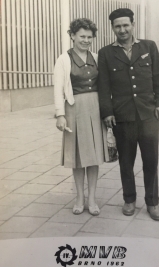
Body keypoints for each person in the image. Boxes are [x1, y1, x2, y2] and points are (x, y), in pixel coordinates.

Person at [98, 8, 159, 221]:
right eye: (117, 26)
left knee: (151, 160)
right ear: (113, 28)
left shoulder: (148, 47)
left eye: (125, 25)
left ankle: (153, 202)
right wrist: (107, 112)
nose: (122, 30)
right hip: (123, 116)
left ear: (133, 24)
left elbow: (158, 77)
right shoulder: (106, 53)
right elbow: (104, 86)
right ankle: (129, 199)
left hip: (148, 115)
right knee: (126, 162)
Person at [54, 18, 108, 216]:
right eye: (82, 36)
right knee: (77, 158)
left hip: (95, 109)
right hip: (74, 109)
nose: (86, 40)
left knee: (93, 157)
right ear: (72, 36)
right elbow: (58, 89)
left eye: (89, 37)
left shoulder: (96, 56)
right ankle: (79, 197)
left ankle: (92, 199)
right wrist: (60, 115)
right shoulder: (64, 59)